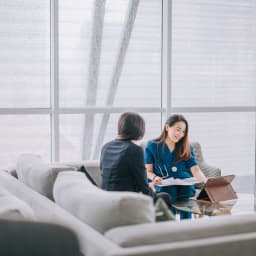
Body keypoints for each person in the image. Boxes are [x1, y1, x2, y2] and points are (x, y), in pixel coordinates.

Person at [100, 112, 172, 208]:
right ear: (139, 130)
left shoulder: (106, 147)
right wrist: (152, 191)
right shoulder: (134, 150)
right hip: (125, 200)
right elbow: (143, 186)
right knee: (165, 197)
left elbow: (110, 176)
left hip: (106, 198)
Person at [144, 114, 207, 219]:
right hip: (163, 183)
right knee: (169, 193)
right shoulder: (152, 145)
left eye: (183, 131)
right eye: (178, 130)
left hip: (184, 182)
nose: (181, 134)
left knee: (187, 192)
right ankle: (170, 225)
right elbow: (148, 171)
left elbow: (195, 169)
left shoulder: (186, 146)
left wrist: (206, 181)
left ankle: (186, 225)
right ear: (167, 127)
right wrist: (155, 177)